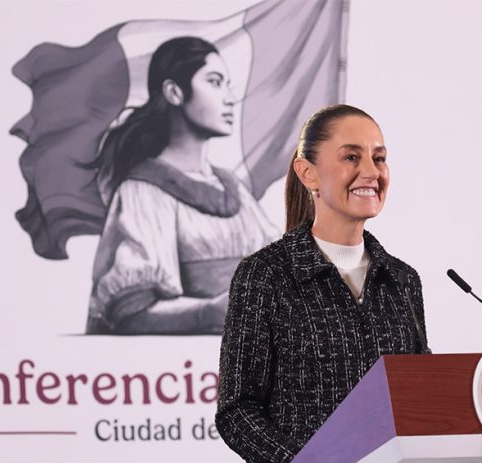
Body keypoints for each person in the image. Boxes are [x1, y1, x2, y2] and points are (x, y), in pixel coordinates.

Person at [216, 104, 429, 462]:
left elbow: (420, 396)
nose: (370, 172)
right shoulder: (266, 274)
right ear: (308, 173)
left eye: (379, 158)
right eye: (351, 157)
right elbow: (238, 411)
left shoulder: (403, 281)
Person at [85, 37, 278, 335]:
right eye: (214, 82)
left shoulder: (234, 189)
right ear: (174, 92)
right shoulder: (144, 191)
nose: (229, 98)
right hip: (182, 371)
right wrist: (209, 312)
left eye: (228, 85)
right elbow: (131, 312)